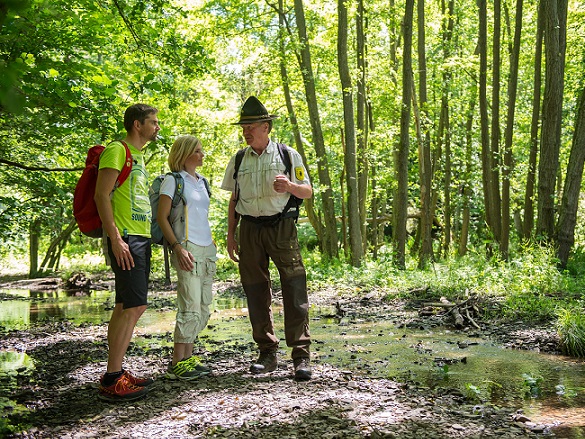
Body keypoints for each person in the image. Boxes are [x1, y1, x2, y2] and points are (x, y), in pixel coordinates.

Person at [221, 96, 313, 381]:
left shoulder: (288, 155)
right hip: (249, 229)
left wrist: (290, 185)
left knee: (294, 288)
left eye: (251, 126)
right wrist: (231, 235)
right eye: (244, 127)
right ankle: (267, 353)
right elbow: (233, 200)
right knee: (255, 290)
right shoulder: (238, 160)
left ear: (266, 127)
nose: (246, 131)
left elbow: (307, 192)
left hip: (282, 228)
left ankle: (301, 356)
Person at [94, 103, 160, 401]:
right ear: (137, 124)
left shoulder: (139, 156)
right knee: (135, 305)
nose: (157, 127)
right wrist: (116, 238)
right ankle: (112, 379)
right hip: (126, 237)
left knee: (126, 304)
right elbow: (101, 194)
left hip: (139, 237)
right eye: (153, 122)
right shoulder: (117, 150)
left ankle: (116, 372)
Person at [157, 135, 216, 380]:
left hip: (207, 248)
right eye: (198, 151)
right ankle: (177, 362)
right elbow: (162, 217)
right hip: (187, 246)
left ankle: (189, 359)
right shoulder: (173, 181)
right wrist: (178, 247)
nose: (202, 155)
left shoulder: (203, 182)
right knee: (189, 305)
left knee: (203, 306)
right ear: (186, 154)